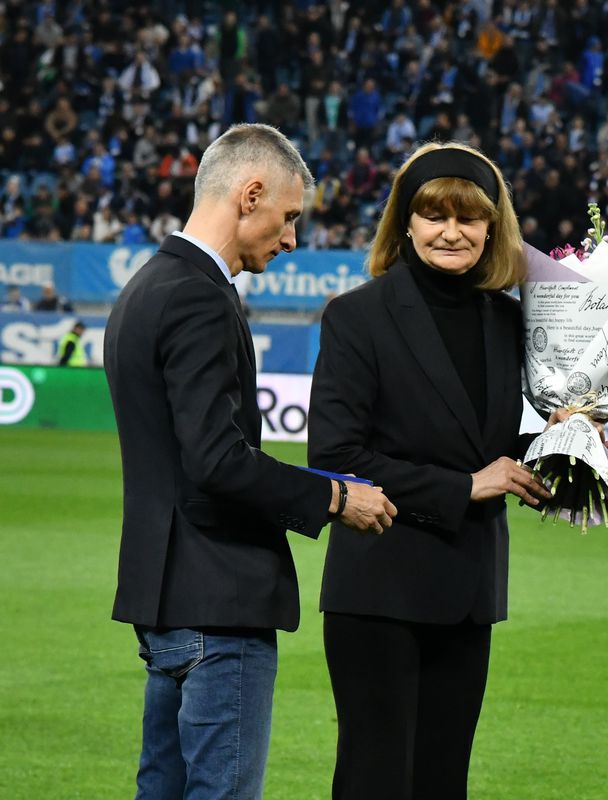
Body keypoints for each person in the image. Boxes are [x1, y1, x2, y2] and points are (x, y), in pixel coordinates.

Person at [103, 123, 397, 800]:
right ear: (250, 193)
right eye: (289, 217)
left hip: (166, 601)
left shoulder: (146, 286)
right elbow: (217, 460)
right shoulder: (199, 297)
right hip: (218, 604)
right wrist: (333, 497)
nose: (292, 238)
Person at [308, 141, 571, 799]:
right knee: (375, 780)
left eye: (469, 217)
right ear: (405, 222)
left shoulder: (510, 320)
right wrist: (465, 486)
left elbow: (484, 439)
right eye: (434, 215)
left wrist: (561, 452)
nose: (452, 232)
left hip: (468, 590)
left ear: (492, 227)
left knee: (442, 782)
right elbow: (335, 456)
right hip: (379, 590)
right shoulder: (355, 316)